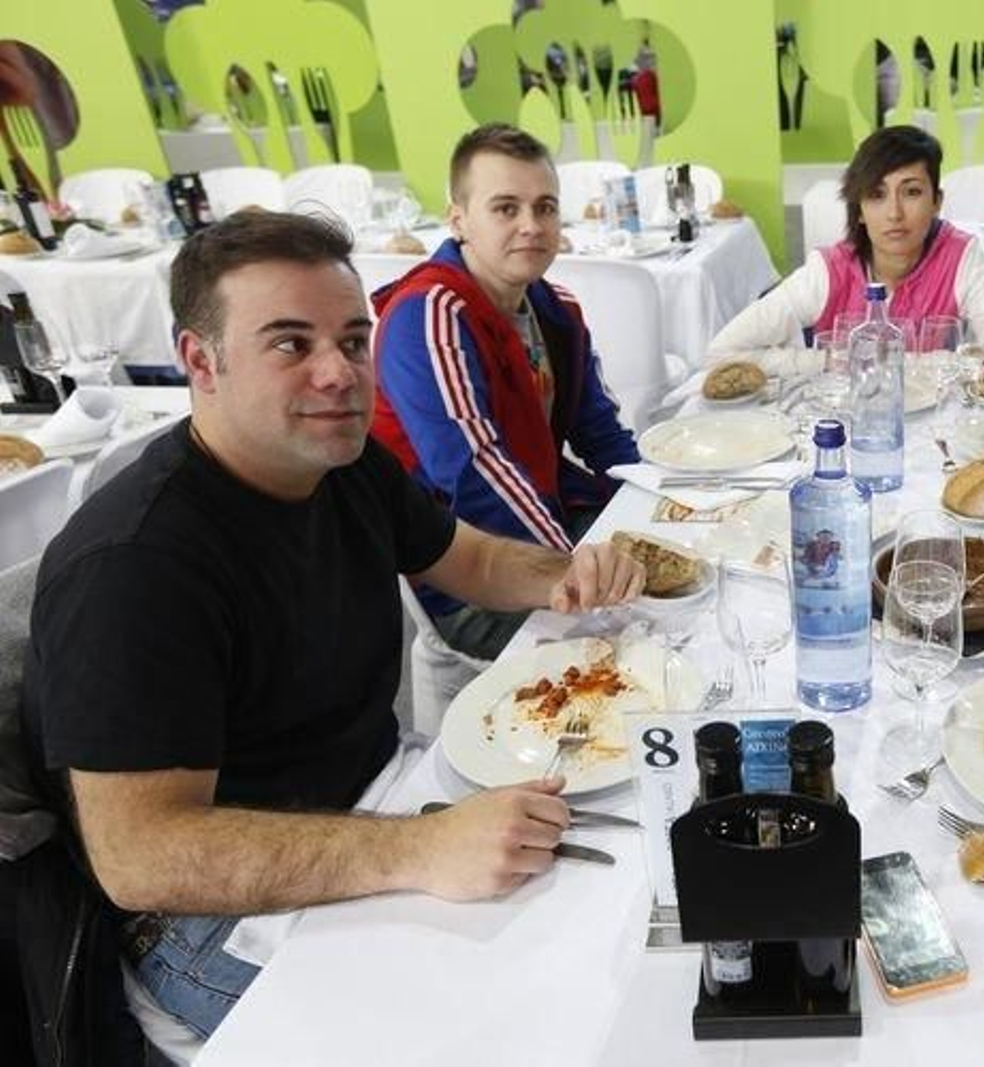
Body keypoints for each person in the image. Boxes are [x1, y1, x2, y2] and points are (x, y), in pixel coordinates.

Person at [19, 210, 646, 1042]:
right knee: (501, 1027)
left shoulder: (341, 463)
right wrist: (419, 852)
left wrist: (567, 571)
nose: (340, 374)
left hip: (374, 803)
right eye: (291, 344)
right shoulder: (137, 565)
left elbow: (472, 561)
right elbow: (143, 857)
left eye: (354, 341)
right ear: (200, 361)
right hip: (201, 918)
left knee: (614, 922)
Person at [372, 123, 640, 660]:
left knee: (691, 584)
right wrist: (574, 564)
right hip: (470, 578)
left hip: (549, 519)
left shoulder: (554, 306)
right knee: (639, 648)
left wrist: (654, 511)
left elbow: (601, 434)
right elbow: (476, 477)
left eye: (545, 207)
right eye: (505, 208)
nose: (531, 226)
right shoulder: (429, 316)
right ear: (458, 219)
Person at [709, 124, 984, 354]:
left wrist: (940, 367)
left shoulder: (961, 256)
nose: (894, 213)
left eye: (912, 192)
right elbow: (723, 349)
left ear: (936, 201)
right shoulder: (829, 271)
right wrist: (824, 363)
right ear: (858, 209)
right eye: (876, 195)